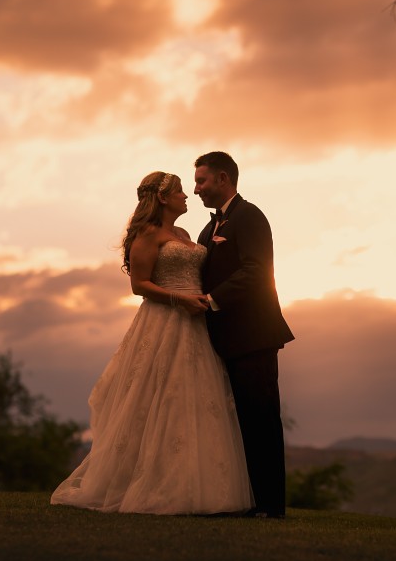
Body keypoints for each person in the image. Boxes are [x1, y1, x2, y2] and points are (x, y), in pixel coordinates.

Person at [51, 171, 254, 515]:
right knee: (159, 397)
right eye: (179, 192)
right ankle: (149, 484)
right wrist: (179, 299)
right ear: (163, 198)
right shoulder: (147, 234)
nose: (187, 195)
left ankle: (200, 487)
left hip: (197, 324)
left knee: (194, 399)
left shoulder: (186, 234)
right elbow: (140, 285)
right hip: (165, 320)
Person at [194, 152, 295, 519]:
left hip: (253, 336)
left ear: (223, 178)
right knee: (235, 424)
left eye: (202, 181)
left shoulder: (250, 216)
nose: (196, 189)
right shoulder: (208, 230)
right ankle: (248, 500)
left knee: (261, 418)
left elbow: (257, 270)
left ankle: (271, 505)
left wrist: (213, 300)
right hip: (221, 340)